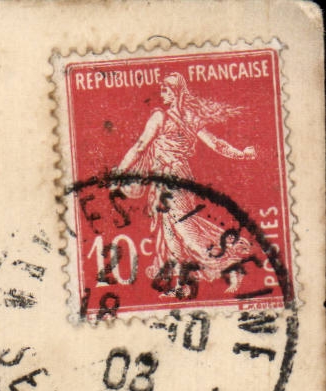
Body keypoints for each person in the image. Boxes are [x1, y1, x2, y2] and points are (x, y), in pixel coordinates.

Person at [111, 72, 259, 294]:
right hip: (171, 179)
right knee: (171, 236)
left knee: (186, 232)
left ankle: (231, 266)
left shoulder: (162, 117)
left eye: (166, 90)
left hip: (172, 179)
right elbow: (216, 143)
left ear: (177, 92)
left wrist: (120, 171)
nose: (162, 94)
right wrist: (241, 154)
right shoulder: (188, 118)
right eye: (162, 90)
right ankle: (183, 286)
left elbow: (140, 146)